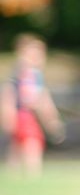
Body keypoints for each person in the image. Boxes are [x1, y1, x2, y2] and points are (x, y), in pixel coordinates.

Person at [1, 32, 64, 172]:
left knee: (17, 147)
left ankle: (15, 176)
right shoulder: (29, 75)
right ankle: (32, 174)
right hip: (26, 116)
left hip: (23, 116)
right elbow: (39, 99)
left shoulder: (23, 74)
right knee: (32, 144)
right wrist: (51, 120)